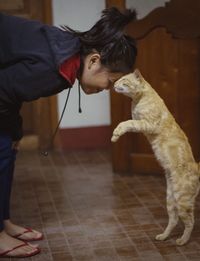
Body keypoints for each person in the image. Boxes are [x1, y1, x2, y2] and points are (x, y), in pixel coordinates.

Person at [0, 7, 137, 258]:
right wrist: (14, 131)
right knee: (1, 150)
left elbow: (12, 90)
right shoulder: (53, 69)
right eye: (111, 81)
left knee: (7, 149)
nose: (109, 88)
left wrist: (14, 133)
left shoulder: (71, 50)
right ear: (94, 60)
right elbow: (4, 91)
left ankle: (4, 222)